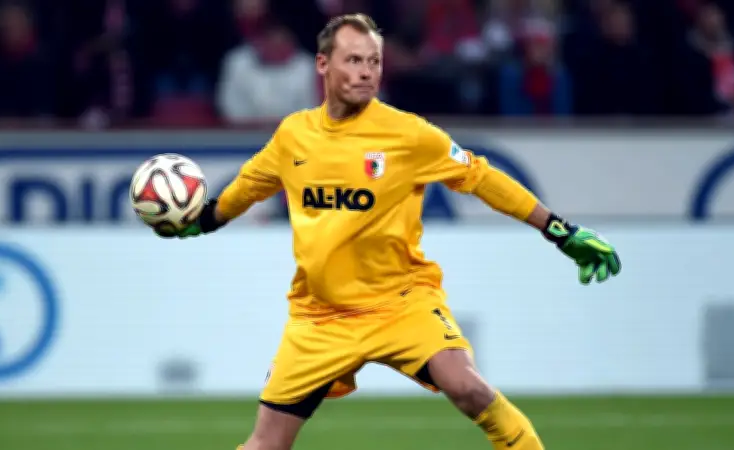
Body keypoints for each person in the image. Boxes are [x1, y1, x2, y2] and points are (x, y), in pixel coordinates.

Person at [157, 13, 621, 450]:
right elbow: (241, 193)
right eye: (353, 60)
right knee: (266, 443)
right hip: (320, 318)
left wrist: (560, 231)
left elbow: (483, 178)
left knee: (468, 387)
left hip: (400, 303)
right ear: (323, 64)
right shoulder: (293, 136)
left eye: (374, 61)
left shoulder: (408, 135)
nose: (366, 72)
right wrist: (198, 222)